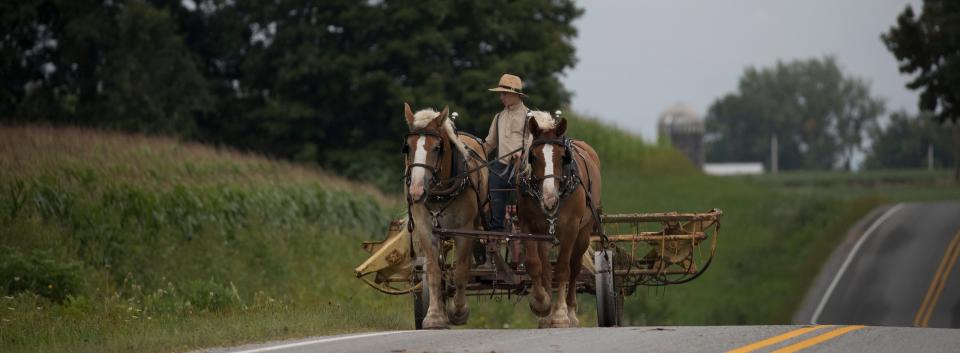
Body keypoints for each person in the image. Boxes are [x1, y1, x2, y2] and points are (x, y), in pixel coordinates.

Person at [483, 73, 531, 233]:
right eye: (500, 94)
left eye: (503, 93)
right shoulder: (499, 117)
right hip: (501, 167)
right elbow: (490, 143)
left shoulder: (529, 116)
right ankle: (495, 229)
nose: (501, 97)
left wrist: (522, 157)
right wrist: (472, 154)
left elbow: (532, 143)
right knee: (488, 185)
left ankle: (527, 225)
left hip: (523, 168)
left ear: (515, 94)